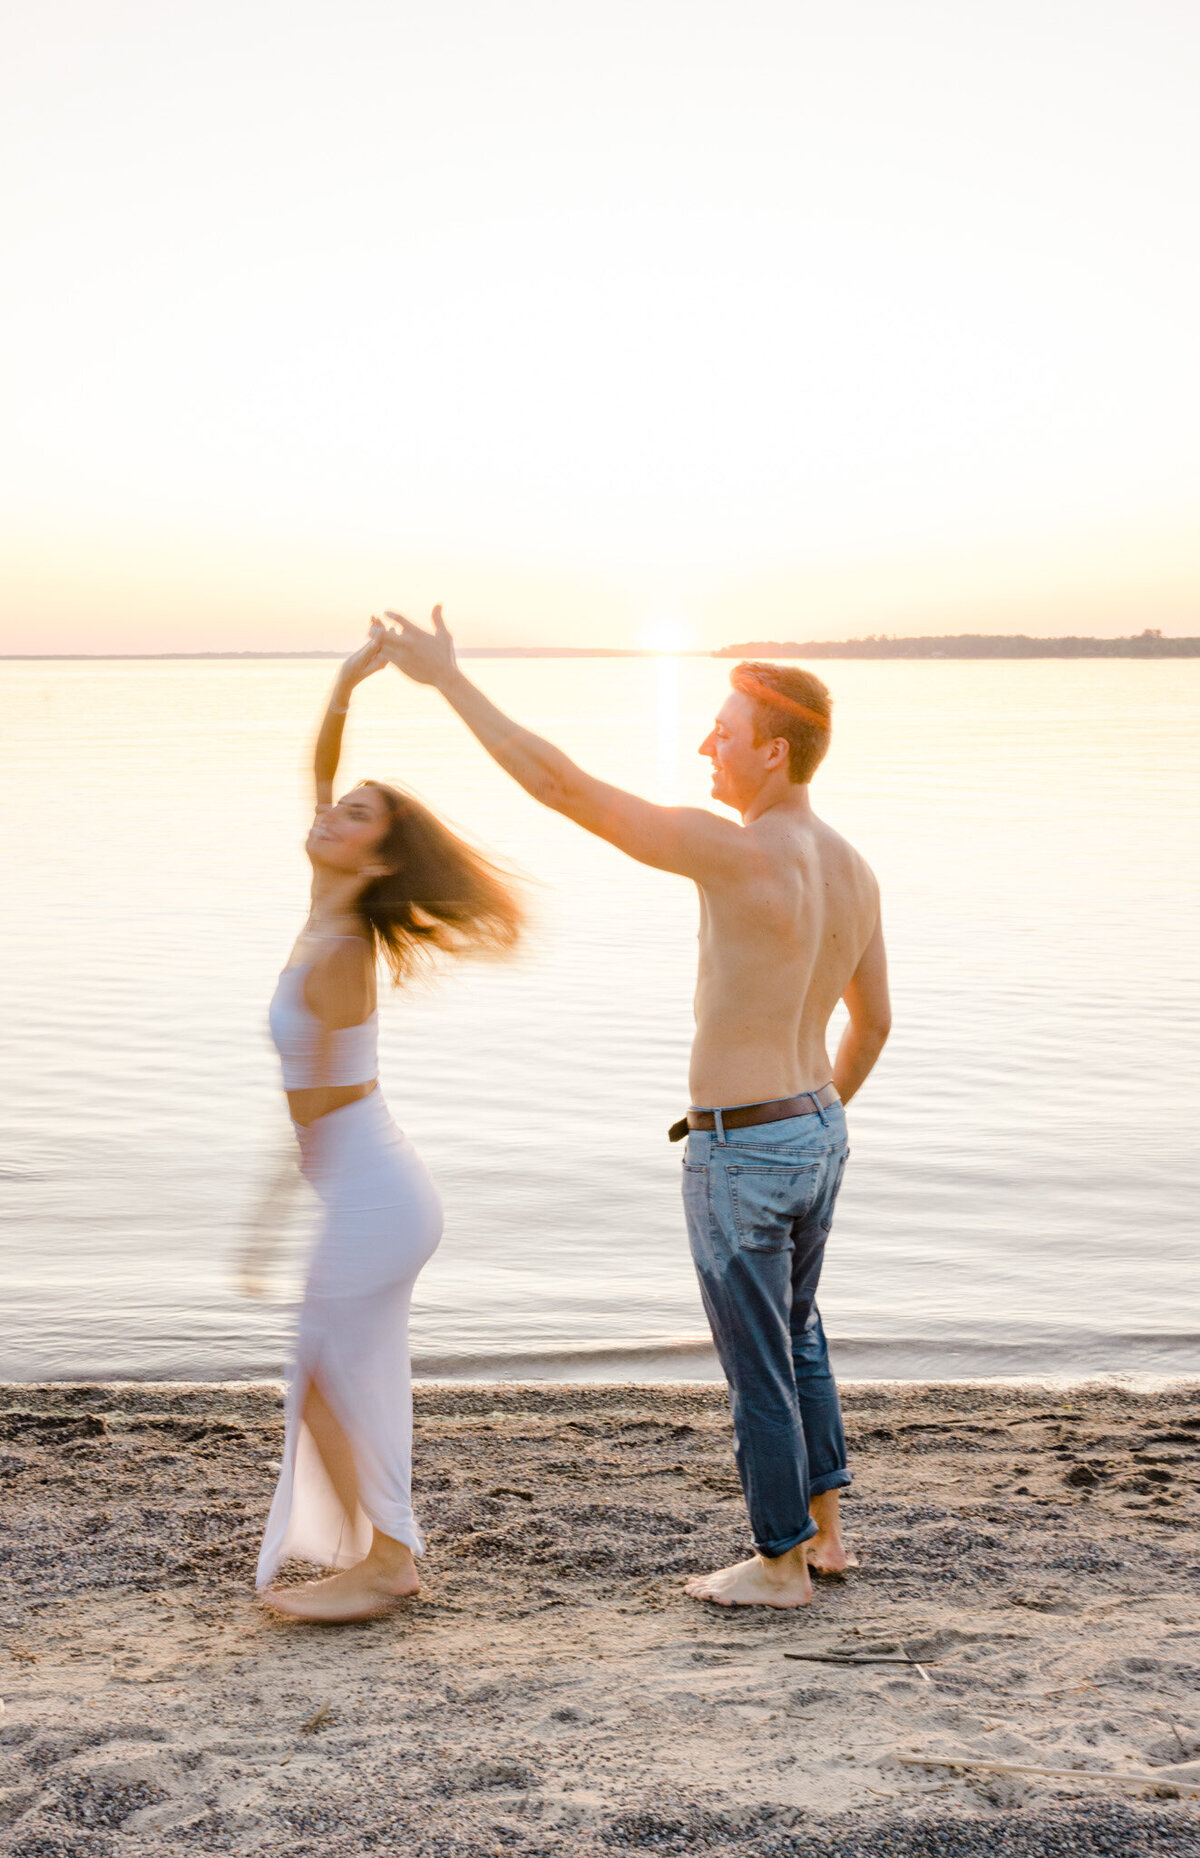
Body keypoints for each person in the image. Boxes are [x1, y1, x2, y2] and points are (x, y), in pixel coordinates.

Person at [379, 607, 891, 1610]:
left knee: (760, 1362)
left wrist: (448, 679)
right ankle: (827, 1537)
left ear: (775, 751)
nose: (707, 742)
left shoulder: (740, 852)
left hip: (745, 1148)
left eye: (725, 730)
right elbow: (873, 1026)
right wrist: (815, 1125)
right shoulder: (854, 867)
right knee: (799, 1333)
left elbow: (563, 786)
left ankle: (779, 1562)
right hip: (818, 1126)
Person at [255, 621, 522, 1622]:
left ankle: (388, 1558)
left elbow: (313, 1122)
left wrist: (262, 1226)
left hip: (370, 1190)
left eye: (357, 814)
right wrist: (345, 681)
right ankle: (381, 1549)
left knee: (323, 1368)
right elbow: (318, 779)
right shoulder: (328, 907)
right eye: (337, 806)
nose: (331, 814)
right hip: (375, 1186)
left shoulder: (336, 951)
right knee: (348, 1368)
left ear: (375, 854)